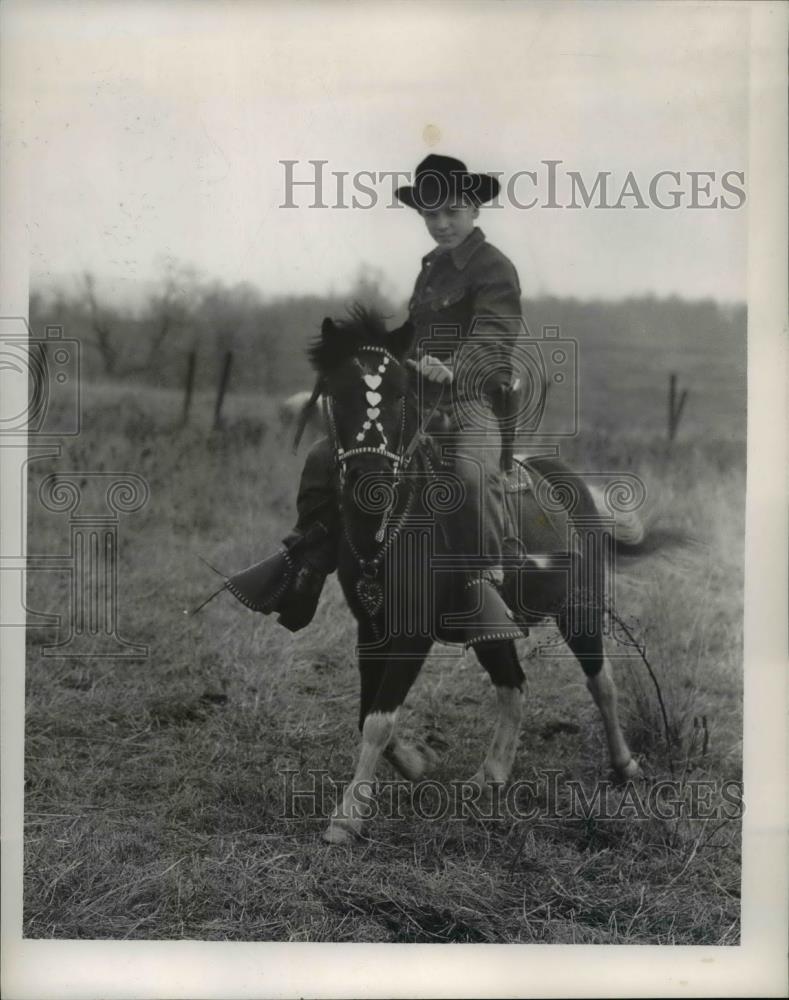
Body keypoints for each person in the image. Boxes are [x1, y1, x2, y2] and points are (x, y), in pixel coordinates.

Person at [226, 154, 524, 646]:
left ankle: (487, 583)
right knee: (331, 455)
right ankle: (305, 565)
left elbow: (495, 336)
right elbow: (411, 340)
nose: (442, 223)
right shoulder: (431, 268)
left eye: (452, 211)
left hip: (472, 398)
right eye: (431, 214)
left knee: (470, 473)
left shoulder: (495, 268)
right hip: (418, 400)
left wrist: (455, 367)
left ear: (474, 208)